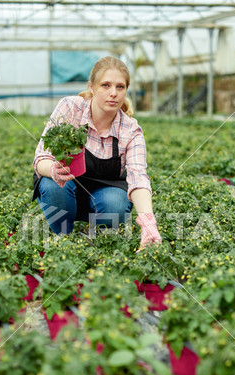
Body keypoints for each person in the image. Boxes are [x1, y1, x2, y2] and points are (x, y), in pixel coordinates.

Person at [32, 56, 161, 250]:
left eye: (120, 87)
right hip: (67, 185)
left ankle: (101, 241)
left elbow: (139, 178)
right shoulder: (71, 108)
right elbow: (41, 156)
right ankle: (63, 238)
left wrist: (148, 223)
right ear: (92, 87)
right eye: (106, 85)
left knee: (116, 204)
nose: (113, 93)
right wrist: (52, 169)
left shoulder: (130, 130)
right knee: (52, 186)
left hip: (105, 190)